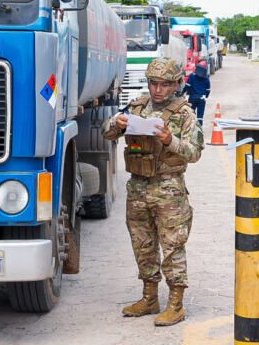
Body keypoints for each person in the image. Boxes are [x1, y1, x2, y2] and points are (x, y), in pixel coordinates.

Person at [102, 58, 204, 326]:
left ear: (176, 85)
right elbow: (107, 133)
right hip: (138, 186)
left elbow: (194, 153)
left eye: (165, 85)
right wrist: (117, 124)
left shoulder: (184, 113)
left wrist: (170, 141)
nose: (158, 90)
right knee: (142, 244)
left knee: (172, 247)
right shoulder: (137, 106)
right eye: (154, 83)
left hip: (169, 189)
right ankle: (149, 297)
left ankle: (176, 304)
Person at [183, 61, 211, 126]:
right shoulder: (206, 78)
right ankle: (200, 130)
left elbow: (187, 86)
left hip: (192, 98)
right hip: (202, 99)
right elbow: (208, 90)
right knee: (200, 116)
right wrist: (205, 96)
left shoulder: (192, 76)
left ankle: (191, 129)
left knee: (191, 114)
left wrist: (183, 93)